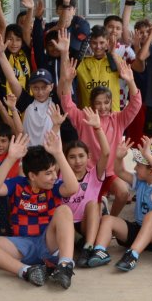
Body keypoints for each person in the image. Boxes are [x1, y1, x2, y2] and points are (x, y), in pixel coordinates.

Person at [0, 132, 80, 289]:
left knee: (64, 210)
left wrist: (59, 154)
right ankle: (27, 271)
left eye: (54, 171)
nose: (54, 177)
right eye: (48, 173)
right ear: (32, 176)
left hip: (48, 241)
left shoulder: (54, 187)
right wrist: (11, 158)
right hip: (22, 245)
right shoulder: (18, 184)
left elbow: (73, 187)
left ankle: (65, 266)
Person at [59, 40, 142, 217]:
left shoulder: (118, 119)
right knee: (92, 207)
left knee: (123, 193)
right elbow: (67, 103)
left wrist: (130, 81)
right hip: (88, 173)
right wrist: (67, 81)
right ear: (92, 104)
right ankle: (97, 212)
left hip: (110, 172)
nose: (103, 107)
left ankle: (110, 221)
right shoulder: (84, 117)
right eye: (98, 103)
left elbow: (135, 104)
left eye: (106, 102)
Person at [87, 137, 152, 272]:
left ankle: (132, 254)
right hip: (140, 229)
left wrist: (147, 155)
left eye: (138, 165)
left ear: (151, 171)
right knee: (107, 219)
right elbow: (120, 172)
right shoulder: (141, 181)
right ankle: (99, 251)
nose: (135, 167)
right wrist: (118, 158)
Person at [59, 108, 110, 262]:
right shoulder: (60, 174)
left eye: (81, 156)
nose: (78, 161)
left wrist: (98, 128)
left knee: (94, 204)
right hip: (66, 224)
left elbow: (106, 153)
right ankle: (76, 246)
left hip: (87, 224)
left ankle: (88, 247)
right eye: (72, 157)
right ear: (65, 159)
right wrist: (56, 127)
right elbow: (56, 152)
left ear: (88, 157)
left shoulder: (94, 174)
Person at [75, 25, 121, 110]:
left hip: (112, 116)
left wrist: (113, 54)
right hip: (89, 116)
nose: (98, 47)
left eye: (102, 42)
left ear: (107, 42)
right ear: (89, 43)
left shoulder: (115, 59)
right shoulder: (82, 63)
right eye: (94, 43)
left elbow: (125, 75)